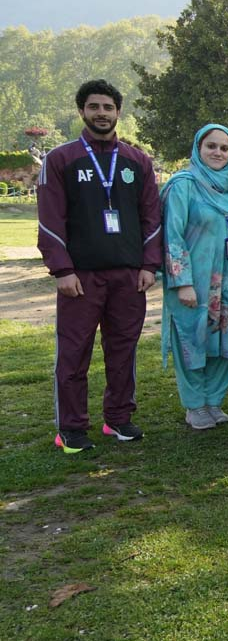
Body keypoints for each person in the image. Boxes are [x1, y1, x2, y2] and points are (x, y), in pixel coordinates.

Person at [38, 79, 162, 453]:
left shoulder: (138, 161)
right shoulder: (60, 159)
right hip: (80, 277)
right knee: (74, 353)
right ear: (82, 111)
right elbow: (49, 219)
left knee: (123, 350)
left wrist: (149, 265)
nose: (102, 113)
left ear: (118, 111)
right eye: (94, 107)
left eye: (108, 107)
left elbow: (152, 217)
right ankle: (71, 428)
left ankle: (118, 418)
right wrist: (62, 269)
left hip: (128, 276)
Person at [161, 124, 228, 430]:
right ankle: (195, 404)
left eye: (224, 148)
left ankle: (214, 401)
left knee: (224, 338)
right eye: (211, 146)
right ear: (198, 148)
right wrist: (182, 282)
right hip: (194, 281)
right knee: (194, 339)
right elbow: (172, 235)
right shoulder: (183, 185)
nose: (218, 153)